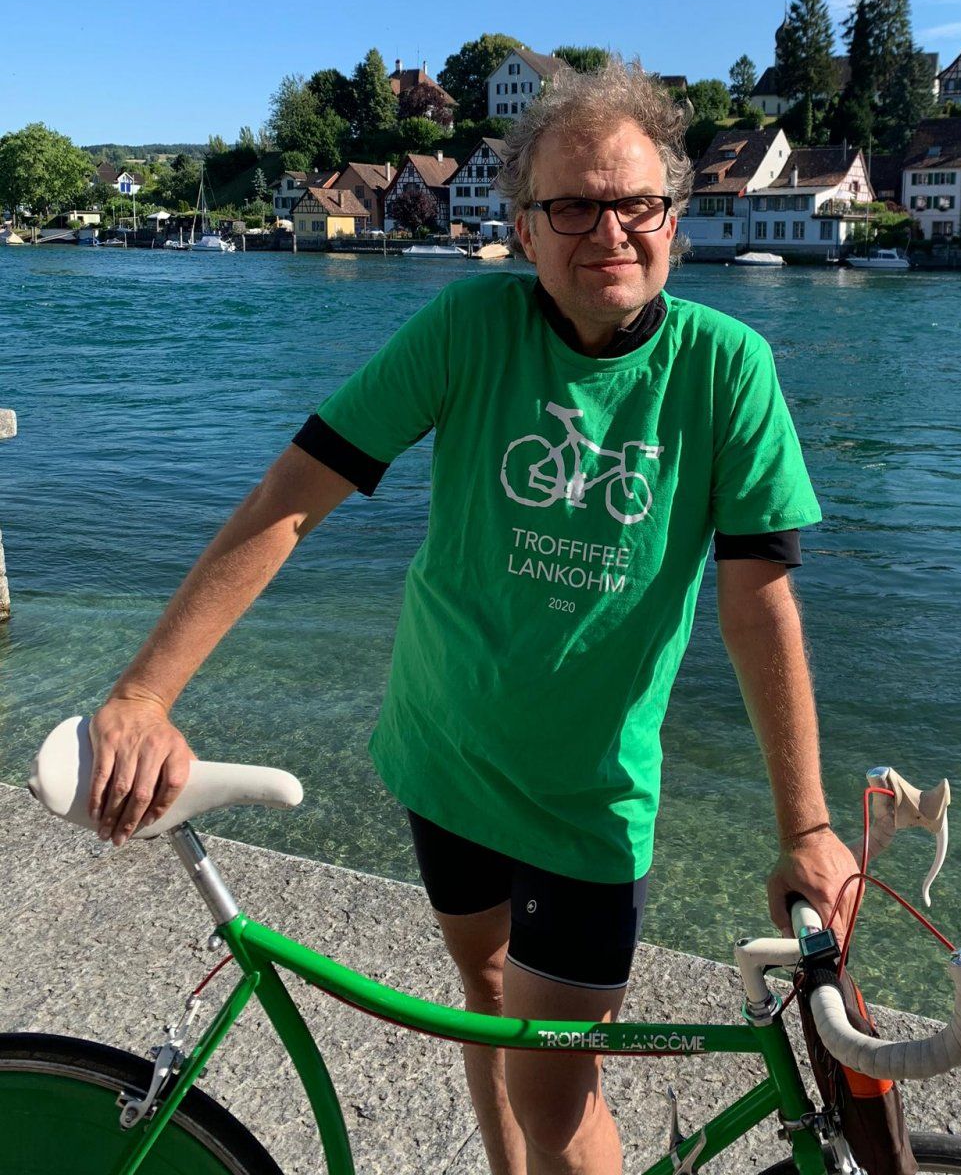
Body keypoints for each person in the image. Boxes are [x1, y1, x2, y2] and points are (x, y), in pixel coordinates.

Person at [88, 60, 858, 1175]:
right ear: (525, 228)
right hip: (444, 758)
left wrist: (806, 827)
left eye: (637, 204)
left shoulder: (725, 369)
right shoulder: (467, 327)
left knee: (558, 1101)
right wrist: (145, 693)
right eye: (572, 206)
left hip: (593, 800)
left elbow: (758, 606)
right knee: (486, 996)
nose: (609, 231)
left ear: (675, 220)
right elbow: (291, 499)